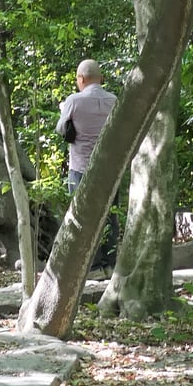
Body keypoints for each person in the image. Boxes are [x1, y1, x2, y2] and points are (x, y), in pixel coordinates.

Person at [58, 59, 121, 269]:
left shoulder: (74, 101)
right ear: (101, 78)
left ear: (81, 79)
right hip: (111, 169)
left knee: (82, 217)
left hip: (81, 168)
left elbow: (61, 129)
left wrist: (63, 112)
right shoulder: (114, 100)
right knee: (110, 216)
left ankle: (91, 265)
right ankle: (109, 262)